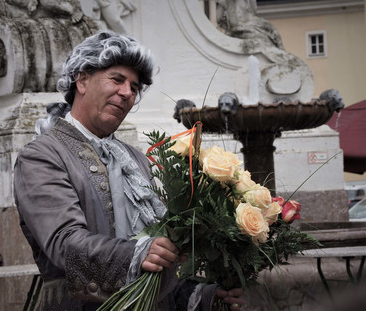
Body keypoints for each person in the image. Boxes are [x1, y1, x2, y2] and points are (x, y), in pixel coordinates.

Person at [14, 30, 244, 310]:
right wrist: (138, 253)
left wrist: (199, 294)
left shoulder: (136, 159)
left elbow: (155, 266)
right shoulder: (42, 156)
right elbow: (65, 245)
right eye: (117, 79)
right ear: (82, 79)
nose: (127, 93)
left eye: (134, 87)